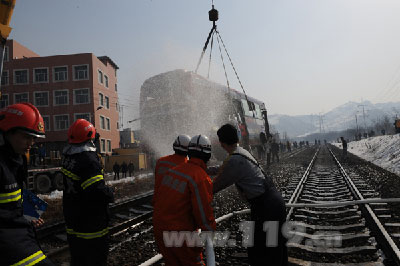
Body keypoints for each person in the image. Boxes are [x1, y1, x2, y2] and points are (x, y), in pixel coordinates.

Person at [213, 124, 288, 266]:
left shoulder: (235, 160)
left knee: (262, 250)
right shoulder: (240, 152)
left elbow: (214, 187)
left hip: (266, 207)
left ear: (221, 143)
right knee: (274, 248)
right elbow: (223, 168)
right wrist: (202, 168)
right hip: (271, 203)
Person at [0, 103, 54, 265]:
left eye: (34, 138)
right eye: (26, 137)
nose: (31, 143)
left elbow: (19, 190)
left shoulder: (18, 157)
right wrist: (21, 218)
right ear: (8, 131)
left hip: (18, 230)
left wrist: (30, 212)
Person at [153, 135, 216, 266]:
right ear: (207, 155)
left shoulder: (173, 171)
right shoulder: (200, 177)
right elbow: (203, 213)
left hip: (160, 230)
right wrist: (210, 231)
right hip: (180, 235)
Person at [62, 119, 114, 266]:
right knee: (94, 259)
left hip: (73, 218)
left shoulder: (68, 156)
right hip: (90, 223)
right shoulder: (89, 160)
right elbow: (96, 191)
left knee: (78, 258)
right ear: (90, 137)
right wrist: (110, 193)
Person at [152, 134, 191, 206]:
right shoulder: (188, 167)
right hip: (177, 210)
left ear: (174, 146)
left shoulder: (161, 162)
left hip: (158, 205)